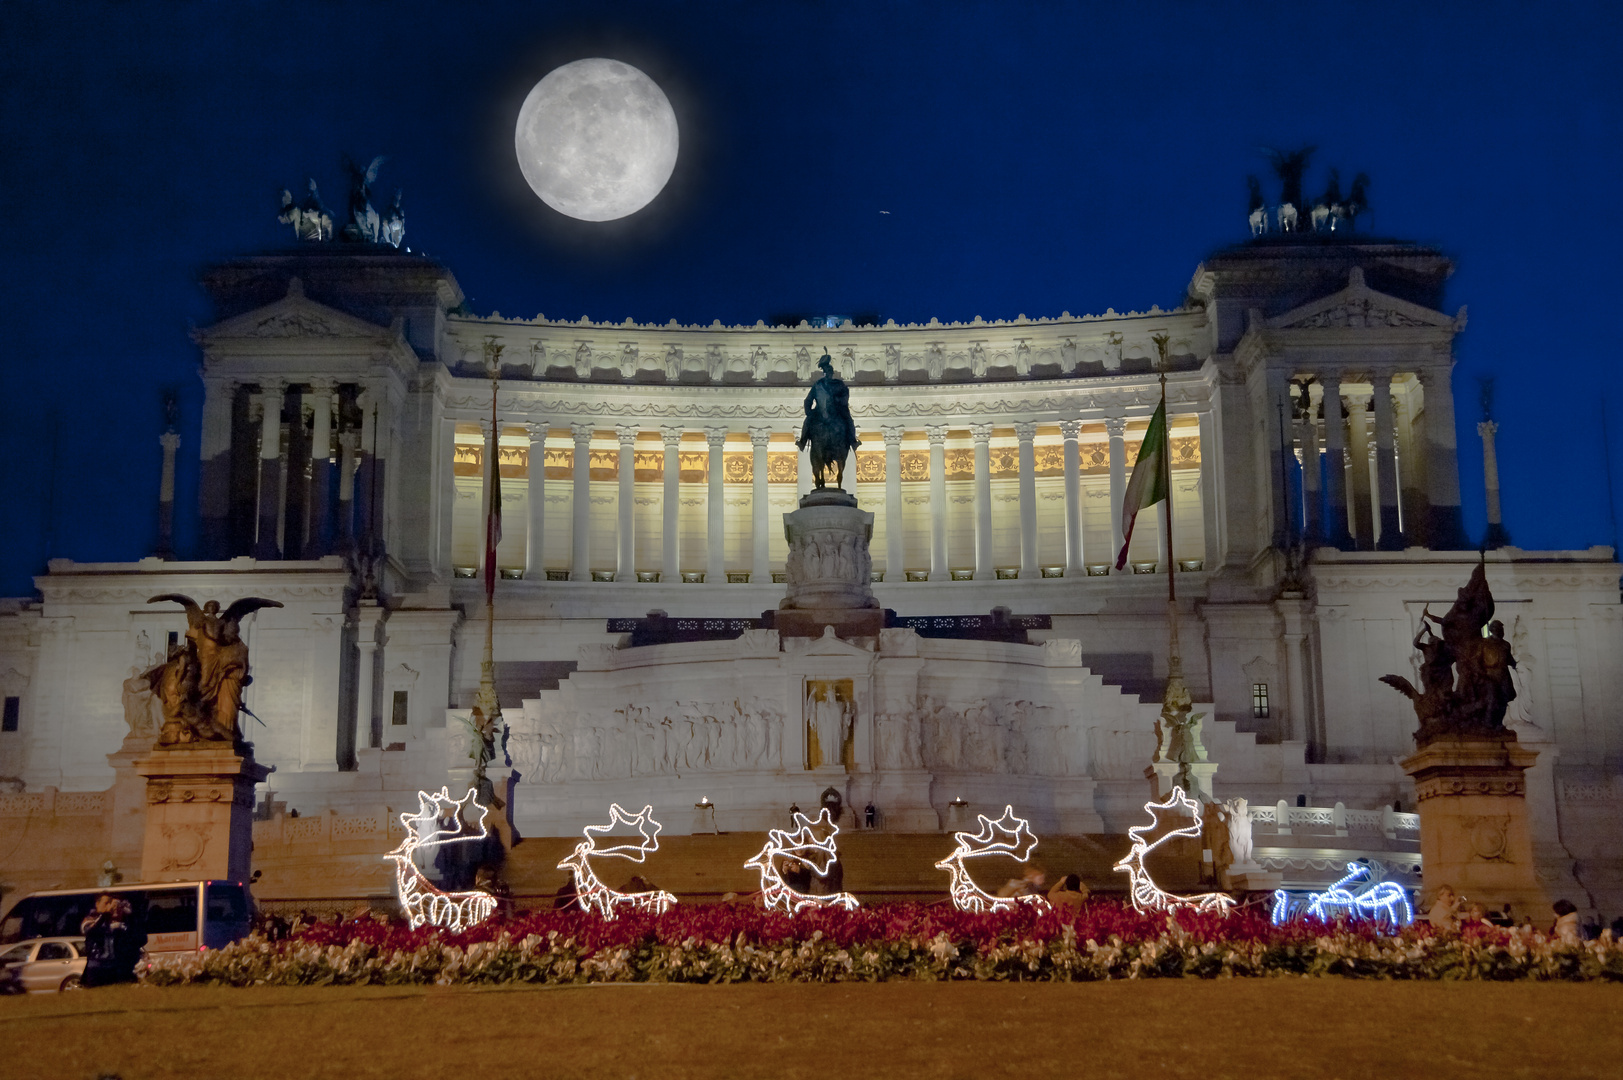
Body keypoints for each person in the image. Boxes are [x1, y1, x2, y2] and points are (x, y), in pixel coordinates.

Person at [79, 894, 137, 987]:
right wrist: (104, 915)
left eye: (111, 903)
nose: (110, 906)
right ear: (97, 904)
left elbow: (135, 936)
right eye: (106, 903)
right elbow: (90, 931)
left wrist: (129, 915)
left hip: (112, 966)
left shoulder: (114, 921)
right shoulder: (90, 918)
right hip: (95, 967)